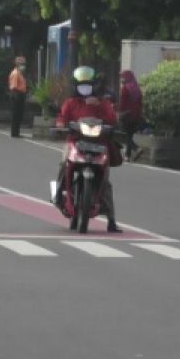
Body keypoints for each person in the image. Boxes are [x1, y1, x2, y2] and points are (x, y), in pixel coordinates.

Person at [55, 65, 121, 233]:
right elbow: (62, 117)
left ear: (94, 85)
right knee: (64, 166)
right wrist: (61, 124)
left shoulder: (103, 103)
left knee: (105, 181)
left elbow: (112, 120)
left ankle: (111, 220)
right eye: (81, 85)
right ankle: (59, 195)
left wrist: (99, 106)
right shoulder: (70, 103)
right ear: (76, 86)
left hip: (99, 144)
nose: (85, 88)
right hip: (75, 142)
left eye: (88, 85)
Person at [117, 69, 144, 160]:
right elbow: (140, 103)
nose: (122, 79)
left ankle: (137, 148)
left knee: (125, 136)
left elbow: (123, 103)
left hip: (127, 115)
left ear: (127, 77)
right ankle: (127, 156)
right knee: (129, 135)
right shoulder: (137, 88)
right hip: (136, 115)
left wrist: (119, 113)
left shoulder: (125, 88)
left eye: (123, 77)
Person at [8, 56, 28, 137]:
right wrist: (17, 97)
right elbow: (14, 86)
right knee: (15, 114)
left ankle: (17, 132)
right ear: (17, 64)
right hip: (16, 94)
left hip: (20, 94)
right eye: (22, 64)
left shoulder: (20, 73)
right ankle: (14, 132)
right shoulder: (15, 73)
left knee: (19, 114)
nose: (23, 65)